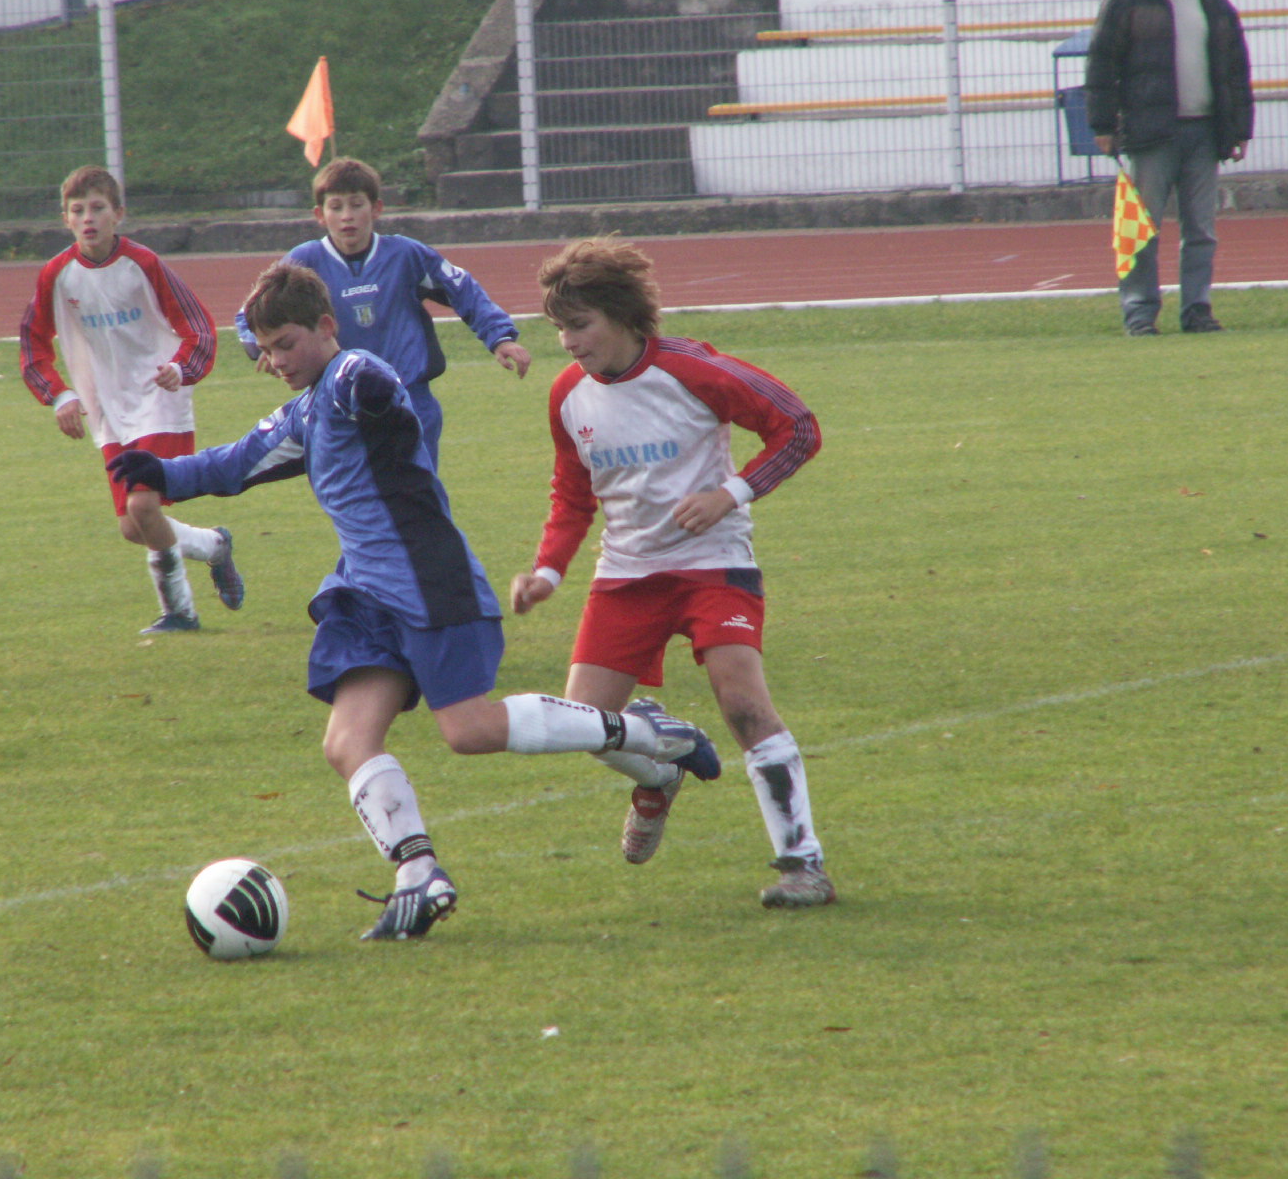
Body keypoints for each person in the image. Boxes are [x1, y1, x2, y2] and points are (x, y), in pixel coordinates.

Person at [107, 261, 720, 941]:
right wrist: (160, 472)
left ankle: (648, 734)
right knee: (345, 742)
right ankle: (418, 874)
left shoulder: (350, 378)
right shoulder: (306, 411)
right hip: (365, 594)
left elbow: (377, 389)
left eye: (286, 344)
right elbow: (235, 463)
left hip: (429, 579)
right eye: (266, 349)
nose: (277, 360)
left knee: (469, 732)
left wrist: (373, 390)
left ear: (326, 328)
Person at [510, 237, 834, 910]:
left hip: (715, 565)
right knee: (587, 722)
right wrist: (546, 572)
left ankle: (804, 864)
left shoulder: (693, 370)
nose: (567, 344)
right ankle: (659, 775)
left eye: (579, 326)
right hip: (626, 575)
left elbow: (798, 429)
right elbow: (572, 497)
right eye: (558, 330)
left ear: (624, 316)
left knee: (743, 705)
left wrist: (731, 494)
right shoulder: (567, 395)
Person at [20, 164, 244, 634]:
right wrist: (59, 394)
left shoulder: (143, 264)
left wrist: (181, 369)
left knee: (144, 509)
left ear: (118, 213)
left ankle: (179, 611)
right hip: (109, 411)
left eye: (98, 208)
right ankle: (214, 546)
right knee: (132, 527)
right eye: (77, 211)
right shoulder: (57, 275)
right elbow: (32, 343)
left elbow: (198, 326)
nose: (88, 218)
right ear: (65, 219)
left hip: (160, 400)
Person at [234, 157, 531, 467]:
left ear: (376, 208)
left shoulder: (406, 255)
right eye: (336, 207)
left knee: (417, 500)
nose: (347, 216)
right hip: (340, 404)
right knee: (358, 500)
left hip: (411, 401)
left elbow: (463, 289)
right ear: (320, 215)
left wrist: (500, 338)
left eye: (356, 204)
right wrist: (262, 347)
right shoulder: (303, 261)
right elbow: (250, 313)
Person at [1085, 0, 1253, 336]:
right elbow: (1101, 62)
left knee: (1201, 230)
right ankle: (1140, 315)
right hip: (1151, 134)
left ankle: (1197, 312)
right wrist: (1102, 123)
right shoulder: (1127, 0)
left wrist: (1240, 129)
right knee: (1142, 230)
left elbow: (1236, 68)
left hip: (1205, 133)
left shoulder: (1213, 0)